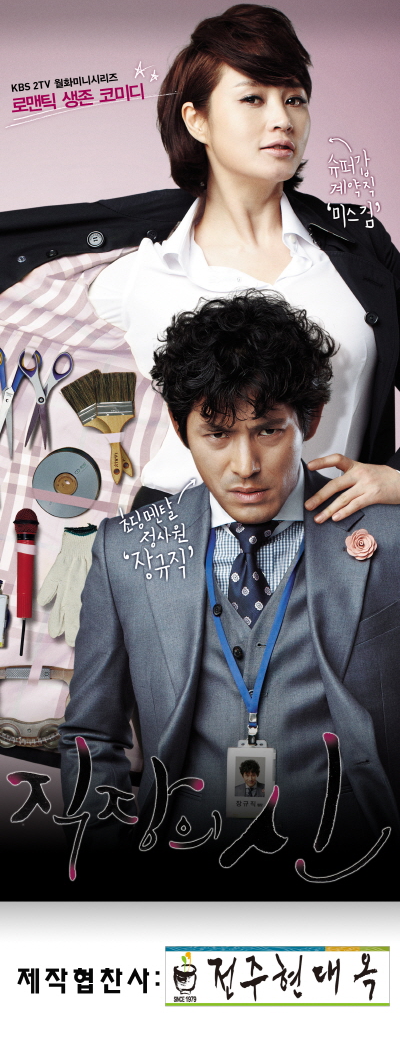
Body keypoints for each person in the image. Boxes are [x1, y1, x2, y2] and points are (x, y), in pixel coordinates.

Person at [60, 292, 400, 898]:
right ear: (180, 430)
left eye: (269, 429)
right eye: (217, 434)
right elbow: (92, 734)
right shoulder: (124, 549)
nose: (245, 465)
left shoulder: (388, 533)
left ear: (310, 419)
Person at [86, 2, 400, 525]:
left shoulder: (357, 244)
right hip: (178, 537)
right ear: (197, 119)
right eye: (253, 98)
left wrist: (396, 477)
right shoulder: (136, 270)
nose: (282, 119)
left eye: (294, 99)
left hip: (336, 536)